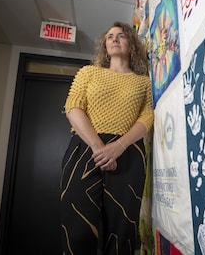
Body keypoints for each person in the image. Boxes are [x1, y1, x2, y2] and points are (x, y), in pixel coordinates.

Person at [60, 21, 153, 255]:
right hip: (85, 149)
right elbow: (73, 106)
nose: (114, 39)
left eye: (121, 35)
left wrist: (118, 147)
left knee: (122, 230)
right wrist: (99, 147)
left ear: (131, 44)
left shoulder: (144, 82)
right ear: (104, 45)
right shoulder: (89, 72)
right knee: (77, 227)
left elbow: (148, 116)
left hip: (128, 153)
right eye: (109, 36)